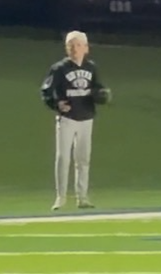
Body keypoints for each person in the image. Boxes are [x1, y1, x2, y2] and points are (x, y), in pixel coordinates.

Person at [41, 30, 111, 211]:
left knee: (83, 159)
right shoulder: (59, 68)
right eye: (71, 45)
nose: (75, 49)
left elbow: (97, 88)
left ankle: (83, 197)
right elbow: (46, 91)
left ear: (86, 48)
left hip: (87, 117)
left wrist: (101, 94)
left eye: (78, 45)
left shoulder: (91, 68)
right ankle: (61, 197)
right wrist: (57, 104)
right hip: (67, 118)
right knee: (63, 157)